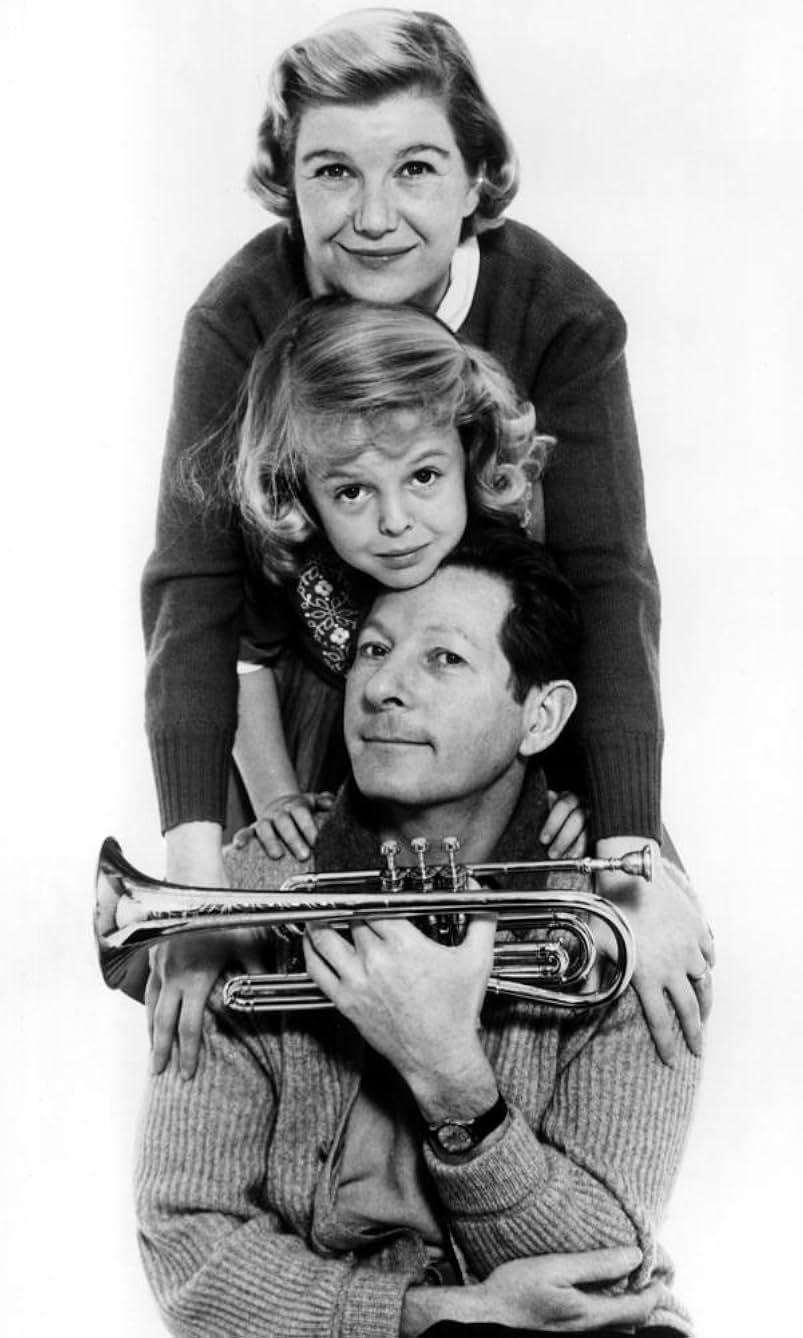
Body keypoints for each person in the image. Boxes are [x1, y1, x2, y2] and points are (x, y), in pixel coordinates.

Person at [142, 7, 713, 1076]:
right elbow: (196, 597)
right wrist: (197, 875)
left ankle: (555, 1202)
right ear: (286, 181)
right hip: (312, 682)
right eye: (329, 174)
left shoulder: (561, 312)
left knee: (637, 945)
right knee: (255, 974)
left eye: (412, 168)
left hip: (503, 671)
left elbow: (606, 578)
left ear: (477, 176)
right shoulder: (236, 315)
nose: (369, 218)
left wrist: (624, 837)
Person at [136, 530, 704, 1337]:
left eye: (444, 659)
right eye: (372, 650)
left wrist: (448, 1075)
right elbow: (186, 1246)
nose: (382, 690)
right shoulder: (252, 890)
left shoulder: (635, 919)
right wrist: (435, 1317)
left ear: (541, 716)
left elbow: (606, 1267)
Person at [227, 294, 582, 861]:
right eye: (351, 491)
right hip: (326, 719)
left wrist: (582, 794)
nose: (395, 523)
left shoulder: (511, 532)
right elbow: (245, 663)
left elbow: (540, 681)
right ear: (303, 496)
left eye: (423, 475)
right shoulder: (295, 558)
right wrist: (277, 799)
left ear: (469, 448)